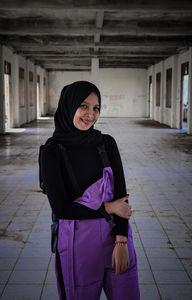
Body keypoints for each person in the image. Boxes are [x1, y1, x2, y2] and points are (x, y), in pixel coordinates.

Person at [39, 81, 140, 300]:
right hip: (77, 246)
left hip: (115, 239)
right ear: (69, 106)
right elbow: (62, 208)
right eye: (83, 106)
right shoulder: (52, 151)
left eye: (96, 108)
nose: (90, 114)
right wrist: (108, 207)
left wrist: (122, 241)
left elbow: (122, 199)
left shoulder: (106, 143)